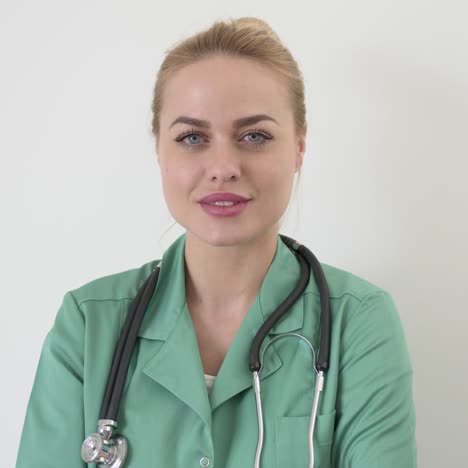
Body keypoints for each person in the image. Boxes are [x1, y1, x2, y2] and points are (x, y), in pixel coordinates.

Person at [16, 16, 417, 468]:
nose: (223, 165)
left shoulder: (357, 324)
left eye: (254, 136)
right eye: (192, 137)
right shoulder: (87, 326)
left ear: (300, 146)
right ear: (158, 149)